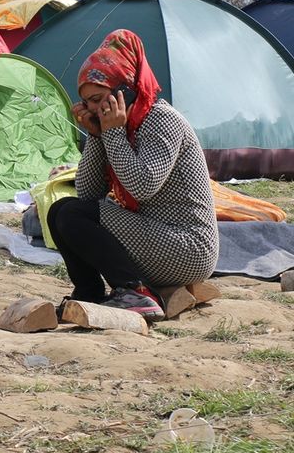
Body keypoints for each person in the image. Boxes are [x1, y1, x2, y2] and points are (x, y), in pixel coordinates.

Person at [48, 29, 218, 321]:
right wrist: (98, 137)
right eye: (88, 102)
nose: (94, 108)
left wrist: (112, 133)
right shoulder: (121, 126)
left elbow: (142, 186)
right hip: (154, 234)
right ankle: (89, 294)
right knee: (60, 211)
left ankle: (134, 291)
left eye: (100, 99)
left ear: (126, 89)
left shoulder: (162, 120)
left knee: (72, 215)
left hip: (189, 247)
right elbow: (88, 194)